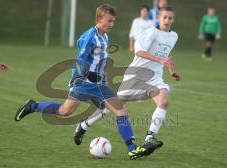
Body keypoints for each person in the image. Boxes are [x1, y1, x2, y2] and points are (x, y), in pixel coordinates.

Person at [14, 4, 147, 160]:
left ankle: (132, 149)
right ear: (99, 19)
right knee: (65, 111)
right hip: (84, 82)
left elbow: (94, 57)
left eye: (113, 21)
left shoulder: (103, 36)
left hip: (99, 85)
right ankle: (33, 106)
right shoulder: (90, 36)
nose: (112, 24)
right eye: (109, 21)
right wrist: (87, 75)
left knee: (119, 110)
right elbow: (81, 60)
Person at [75, 6, 180, 157]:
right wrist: (159, 59)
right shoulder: (150, 33)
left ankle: (149, 138)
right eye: (165, 17)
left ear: (173, 19)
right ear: (159, 18)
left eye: (170, 18)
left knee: (163, 101)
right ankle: (84, 125)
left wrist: (172, 71)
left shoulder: (173, 36)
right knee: (115, 106)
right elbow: (139, 52)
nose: (167, 20)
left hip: (155, 77)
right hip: (136, 76)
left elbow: (167, 53)